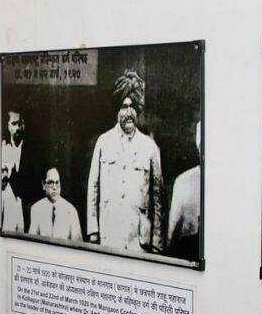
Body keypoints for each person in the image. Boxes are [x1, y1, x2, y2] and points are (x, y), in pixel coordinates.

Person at [86, 69, 163, 254]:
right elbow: (93, 188)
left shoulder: (150, 147)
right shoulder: (103, 142)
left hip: (138, 241)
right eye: (124, 106)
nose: (129, 112)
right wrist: (93, 232)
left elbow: (158, 197)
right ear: (117, 109)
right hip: (109, 236)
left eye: (133, 107)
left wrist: (157, 242)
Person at [28, 167, 82, 240]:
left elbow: (77, 244)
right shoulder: (36, 209)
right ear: (43, 185)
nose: (54, 187)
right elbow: (32, 242)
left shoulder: (71, 210)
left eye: (57, 183)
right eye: (50, 182)